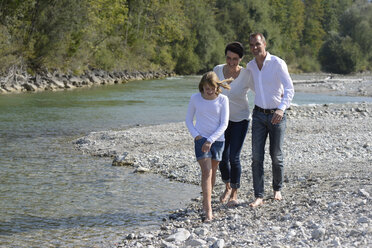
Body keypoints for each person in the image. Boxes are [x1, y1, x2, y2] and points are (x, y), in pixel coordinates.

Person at [246, 32, 294, 208]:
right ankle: (258, 196)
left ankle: (277, 189)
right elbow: (250, 85)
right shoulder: (250, 66)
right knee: (256, 157)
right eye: (251, 45)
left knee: (276, 156)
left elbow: (289, 89)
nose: (254, 48)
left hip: (277, 115)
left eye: (257, 44)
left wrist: (281, 108)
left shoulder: (277, 63)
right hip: (258, 115)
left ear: (264, 44)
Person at [185, 71, 232, 222]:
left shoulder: (223, 100)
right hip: (200, 139)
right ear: (202, 86)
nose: (209, 91)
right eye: (206, 88)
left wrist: (210, 140)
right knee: (206, 172)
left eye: (211, 88)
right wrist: (197, 136)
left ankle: (207, 203)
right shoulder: (195, 98)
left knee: (212, 173)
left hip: (218, 140)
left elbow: (224, 124)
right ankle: (208, 211)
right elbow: (188, 120)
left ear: (216, 87)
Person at [213, 42, 254, 206]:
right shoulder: (217, 70)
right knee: (222, 158)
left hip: (240, 120)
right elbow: (210, 90)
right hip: (221, 120)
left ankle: (235, 192)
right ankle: (227, 186)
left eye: (235, 59)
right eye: (228, 58)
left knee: (233, 157)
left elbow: (260, 90)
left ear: (241, 59)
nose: (231, 62)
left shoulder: (246, 74)